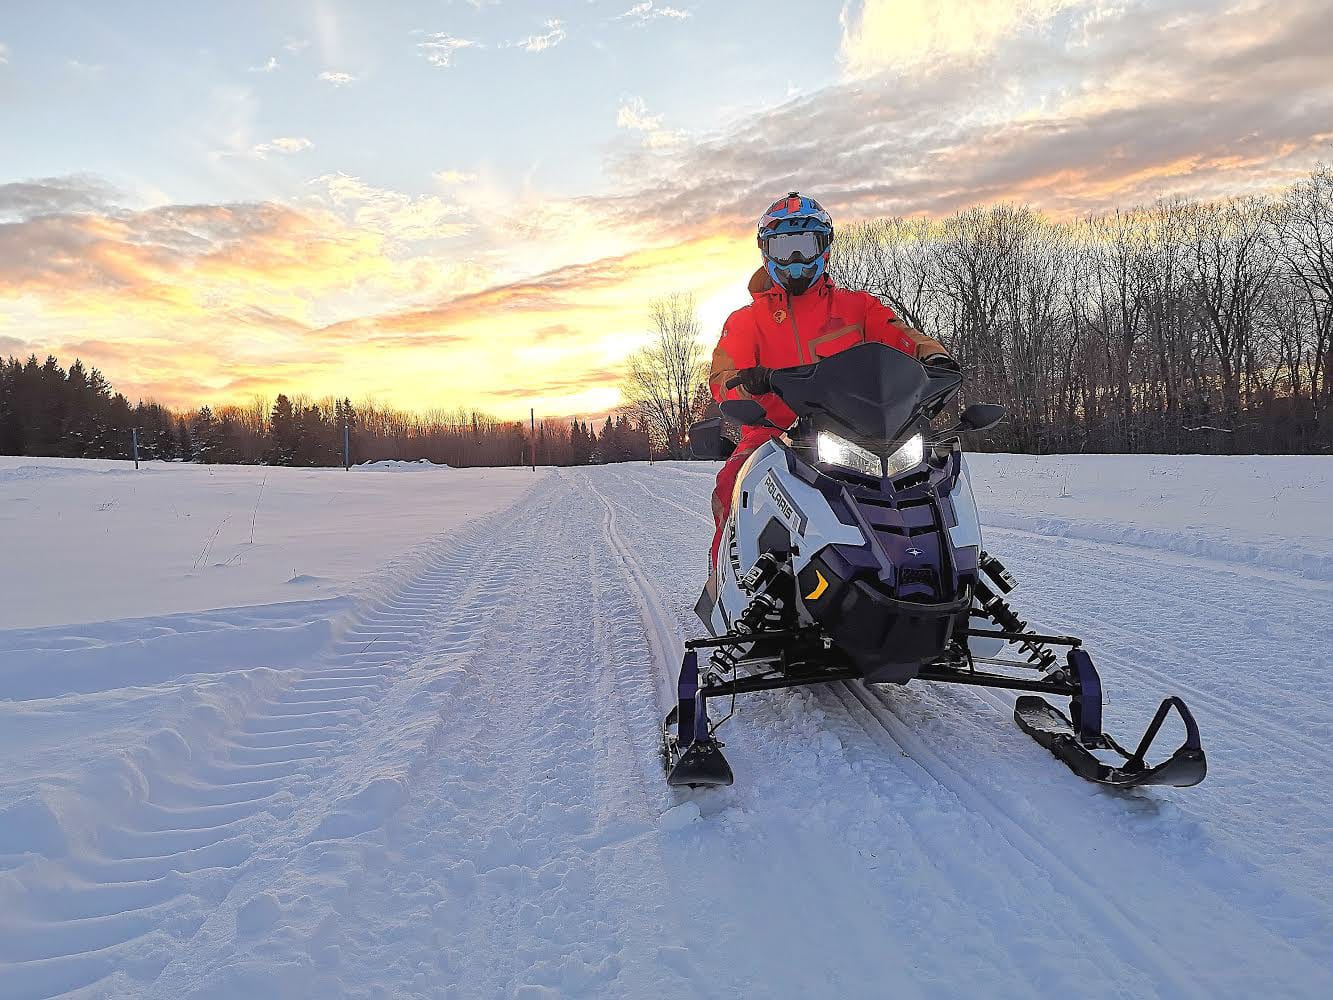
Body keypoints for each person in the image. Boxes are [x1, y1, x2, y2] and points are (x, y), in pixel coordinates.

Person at [708, 192, 955, 568]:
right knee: (731, 484)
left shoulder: (858, 308)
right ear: (766, 251)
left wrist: (932, 355)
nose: (795, 259)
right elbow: (722, 376)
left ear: (824, 247)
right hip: (775, 433)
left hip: (859, 431)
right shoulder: (746, 321)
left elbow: (899, 333)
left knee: (928, 480)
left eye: (805, 245)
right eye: (784, 246)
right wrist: (746, 383)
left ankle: (946, 572)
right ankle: (728, 572)